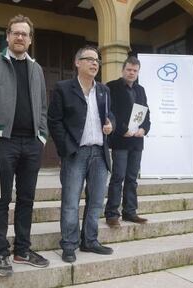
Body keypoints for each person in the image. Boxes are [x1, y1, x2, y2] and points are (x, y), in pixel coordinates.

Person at [0, 15, 49, 277]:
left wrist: (41, 137)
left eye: (24, 34)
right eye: (15, 33)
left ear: (30, 39)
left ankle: (22, 250)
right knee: (1, 199)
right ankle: (1, 252)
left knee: (27, 199)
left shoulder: (36, 69)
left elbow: (42, 107)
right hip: (1, 143)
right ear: (7, 36)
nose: (20, 37)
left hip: (31, 144)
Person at [48, 46, 115, 263]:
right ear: (78, 63)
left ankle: (90, 240)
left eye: (97, 60)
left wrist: (111, 124)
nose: (95, 63)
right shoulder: (64, 88)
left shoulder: (104, 90)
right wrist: (67, 149)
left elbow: (110, 115)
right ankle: (69, 244)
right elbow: (54, 121)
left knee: (96, 201)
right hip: (76, 152)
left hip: (100, 153)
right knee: (70, 201)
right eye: (90, 59)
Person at [104, 56, 151, 228]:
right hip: (120, 140)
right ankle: (111, 214)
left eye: (135, 70)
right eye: (129, 70)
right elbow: (110, 112)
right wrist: (123, 129)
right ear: (123, 70)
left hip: (137, 142)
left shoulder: (141, 90)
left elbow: (146, 113)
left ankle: (130, 212)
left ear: (138, 72)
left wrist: (144, 129)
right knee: (118, 177)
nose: (131, 73)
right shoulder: (111, 87)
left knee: (132, 178)